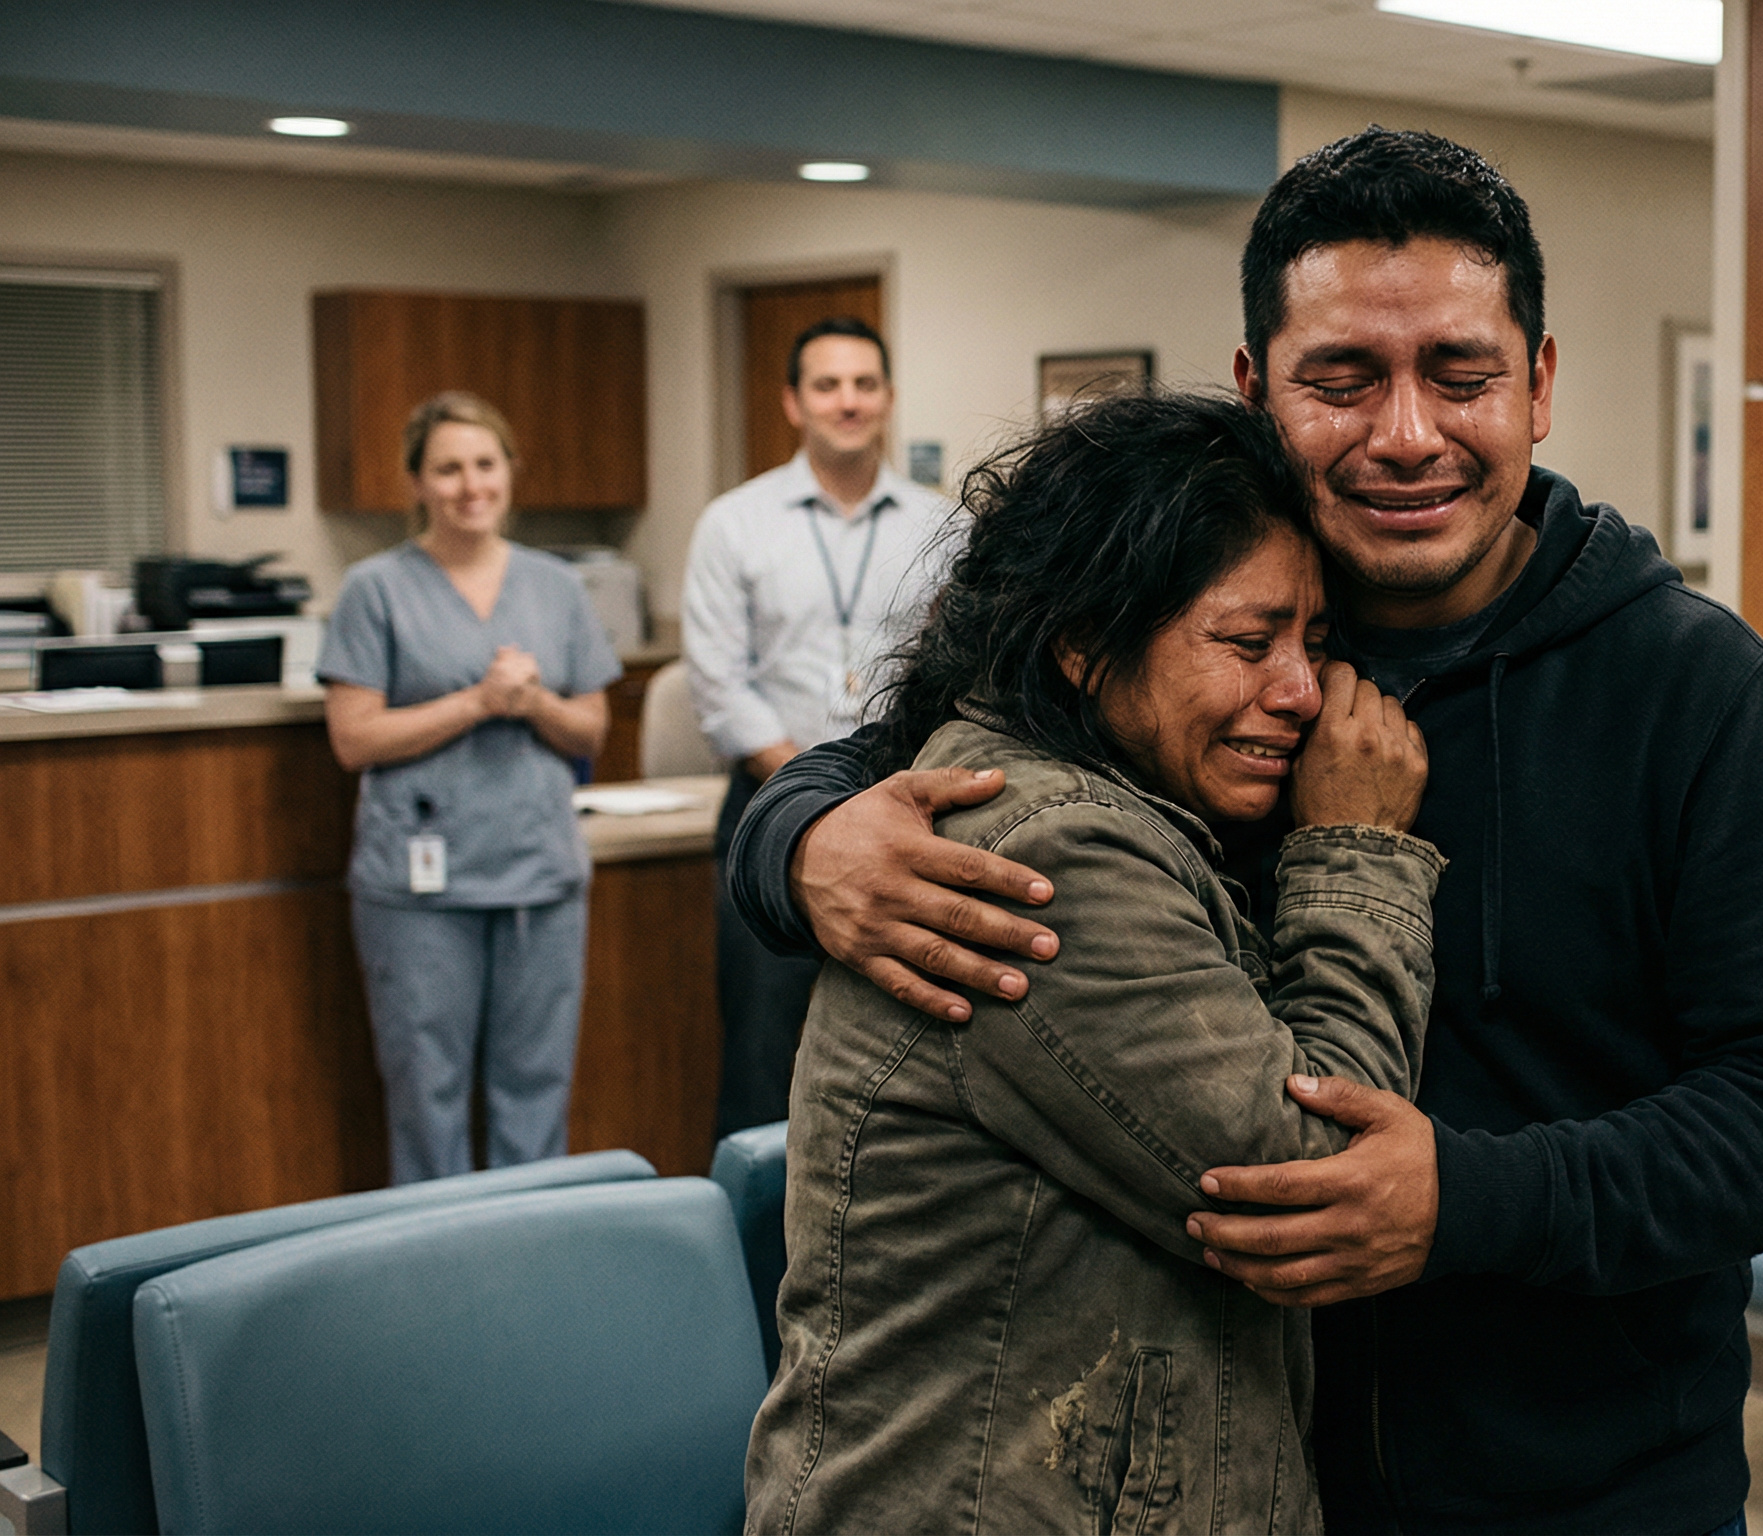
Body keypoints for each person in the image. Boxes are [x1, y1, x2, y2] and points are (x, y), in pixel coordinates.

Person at [728, 128, 1763, 1534]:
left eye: (1461, 375)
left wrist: (1470, 1197)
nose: (1407, 435)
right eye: (1341, 381)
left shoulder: (1697, 691)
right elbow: (948, 727)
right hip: (1238, 1477)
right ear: (1254, 389)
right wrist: (799, 835)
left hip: (1590, 1486)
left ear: (1541, 384)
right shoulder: (1171, 618)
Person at [742, 389, 1441, 1533]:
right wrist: (1355, 850)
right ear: (1081, 641)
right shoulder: (1044, 846)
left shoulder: (1103, 788)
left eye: (1314, 644)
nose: (1302, 695)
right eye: (1245, 640)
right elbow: (1316, 1170)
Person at [320, 391, 624, 1185]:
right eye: (447, 469)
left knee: (535, 1096)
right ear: (416, 482)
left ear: (511, 472)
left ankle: (528, 1275)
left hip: (539, 873)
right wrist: (476, 703)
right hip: (423, 887)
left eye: (484, 465)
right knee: (429, 1098)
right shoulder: (374, 590)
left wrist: (534, 704)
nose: (469, 485)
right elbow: (353, 738)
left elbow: (590, 731)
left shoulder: (555, 587)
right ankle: (435, 1285)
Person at [681, 315, 960, 1140]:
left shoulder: (939, 525)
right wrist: (816, 796)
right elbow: (719, 685)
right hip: (770, 818)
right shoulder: (735, 523)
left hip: (908, 814)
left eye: (864, 384)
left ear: (889, 398)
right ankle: (757, 1261)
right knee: (765, 1060)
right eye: (828, 385)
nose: (849, 401)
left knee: (901, 1057)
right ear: (793, 403)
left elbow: (957, 667)